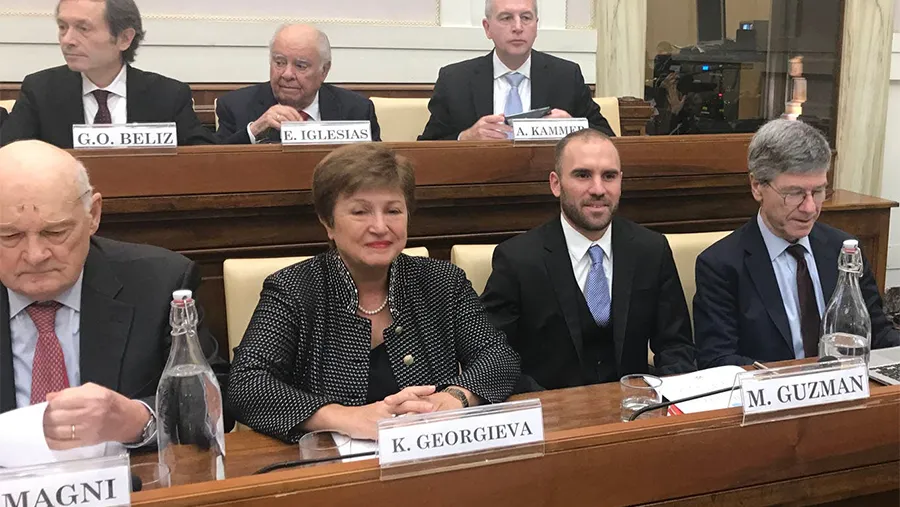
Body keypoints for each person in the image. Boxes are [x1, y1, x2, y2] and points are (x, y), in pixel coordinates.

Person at [228, 143, 519, 443]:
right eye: (360, 212)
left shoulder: (443, 281)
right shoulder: (293, 289)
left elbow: (498, 357)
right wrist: (342, 417)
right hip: (332, 472)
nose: (380, 227)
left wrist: (453, 399)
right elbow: (246, 384)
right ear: (328, 222)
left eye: (393, 210)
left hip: (430, 456)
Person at [0, 140, 228, 450]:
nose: (35, 254)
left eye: (55, 232)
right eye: (9, 236)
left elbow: (214, 401)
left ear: (93, 214)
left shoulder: (160, 282)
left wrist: (138, 419)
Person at [480, 129, 696, 392]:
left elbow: (676, 345)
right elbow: (491, 355)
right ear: (555, 184)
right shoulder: (517, 259)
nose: (598, 189)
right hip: (551, 417)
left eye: (609, 176)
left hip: (636, 413)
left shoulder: (651, 249)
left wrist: (663, 401)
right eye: (583, 175)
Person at [694, 119, 900, 368]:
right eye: (794, 193)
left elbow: (878, 336)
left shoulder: (844, 249)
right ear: (757, 186)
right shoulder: (721, 264)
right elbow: (719, 361)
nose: (810, 208)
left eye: (818, 192)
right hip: (770, 398)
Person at [0, 0, 215, 149]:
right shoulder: (40, 90)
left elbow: (203, 157)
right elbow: (9, 155)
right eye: (63, 27)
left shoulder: (168, 95)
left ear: (124, 38)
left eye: (83, 28)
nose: (67, 40)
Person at [418, 0, 614, 141]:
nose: (518, 27)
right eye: (506, 18)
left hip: (548, 190)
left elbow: (609, 137)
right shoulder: (455, 81)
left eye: (526, 18)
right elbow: (427, 147)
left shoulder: (566, 76)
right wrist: (465, 137)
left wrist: (574, 127)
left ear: (536, 26)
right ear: (487, 28)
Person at [216, 24, 381, 144]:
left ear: (324, 70)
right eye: (279, 62)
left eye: (300, 66)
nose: (287, 74)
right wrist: (255, 130)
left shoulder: (356, 110)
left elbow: (377, 169)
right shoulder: (236, 106)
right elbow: (214, 165)